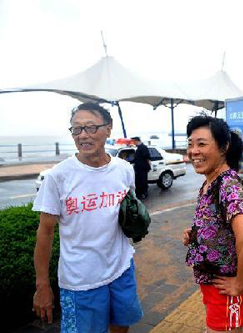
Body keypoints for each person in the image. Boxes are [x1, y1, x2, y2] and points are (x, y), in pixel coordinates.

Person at [32, 102, 143, 332]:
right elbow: (45, 231)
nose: (83, 135)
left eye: (91, 128)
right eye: (77, 129)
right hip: (80, 282)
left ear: (108, 129)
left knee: (121, 326)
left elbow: (129, 209)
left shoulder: (124, 169)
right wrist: (42, 284)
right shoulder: (58, 177)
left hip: (121, 269)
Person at [183, 115, 243, 332]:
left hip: (226, 288)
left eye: (202, 144)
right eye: (190, 144)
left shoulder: (229, 186)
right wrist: (197, 234)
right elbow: (221, 224)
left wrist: (239, 284)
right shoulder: (211, 182)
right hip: (214, 285)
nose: (193, 151)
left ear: (224, 147)